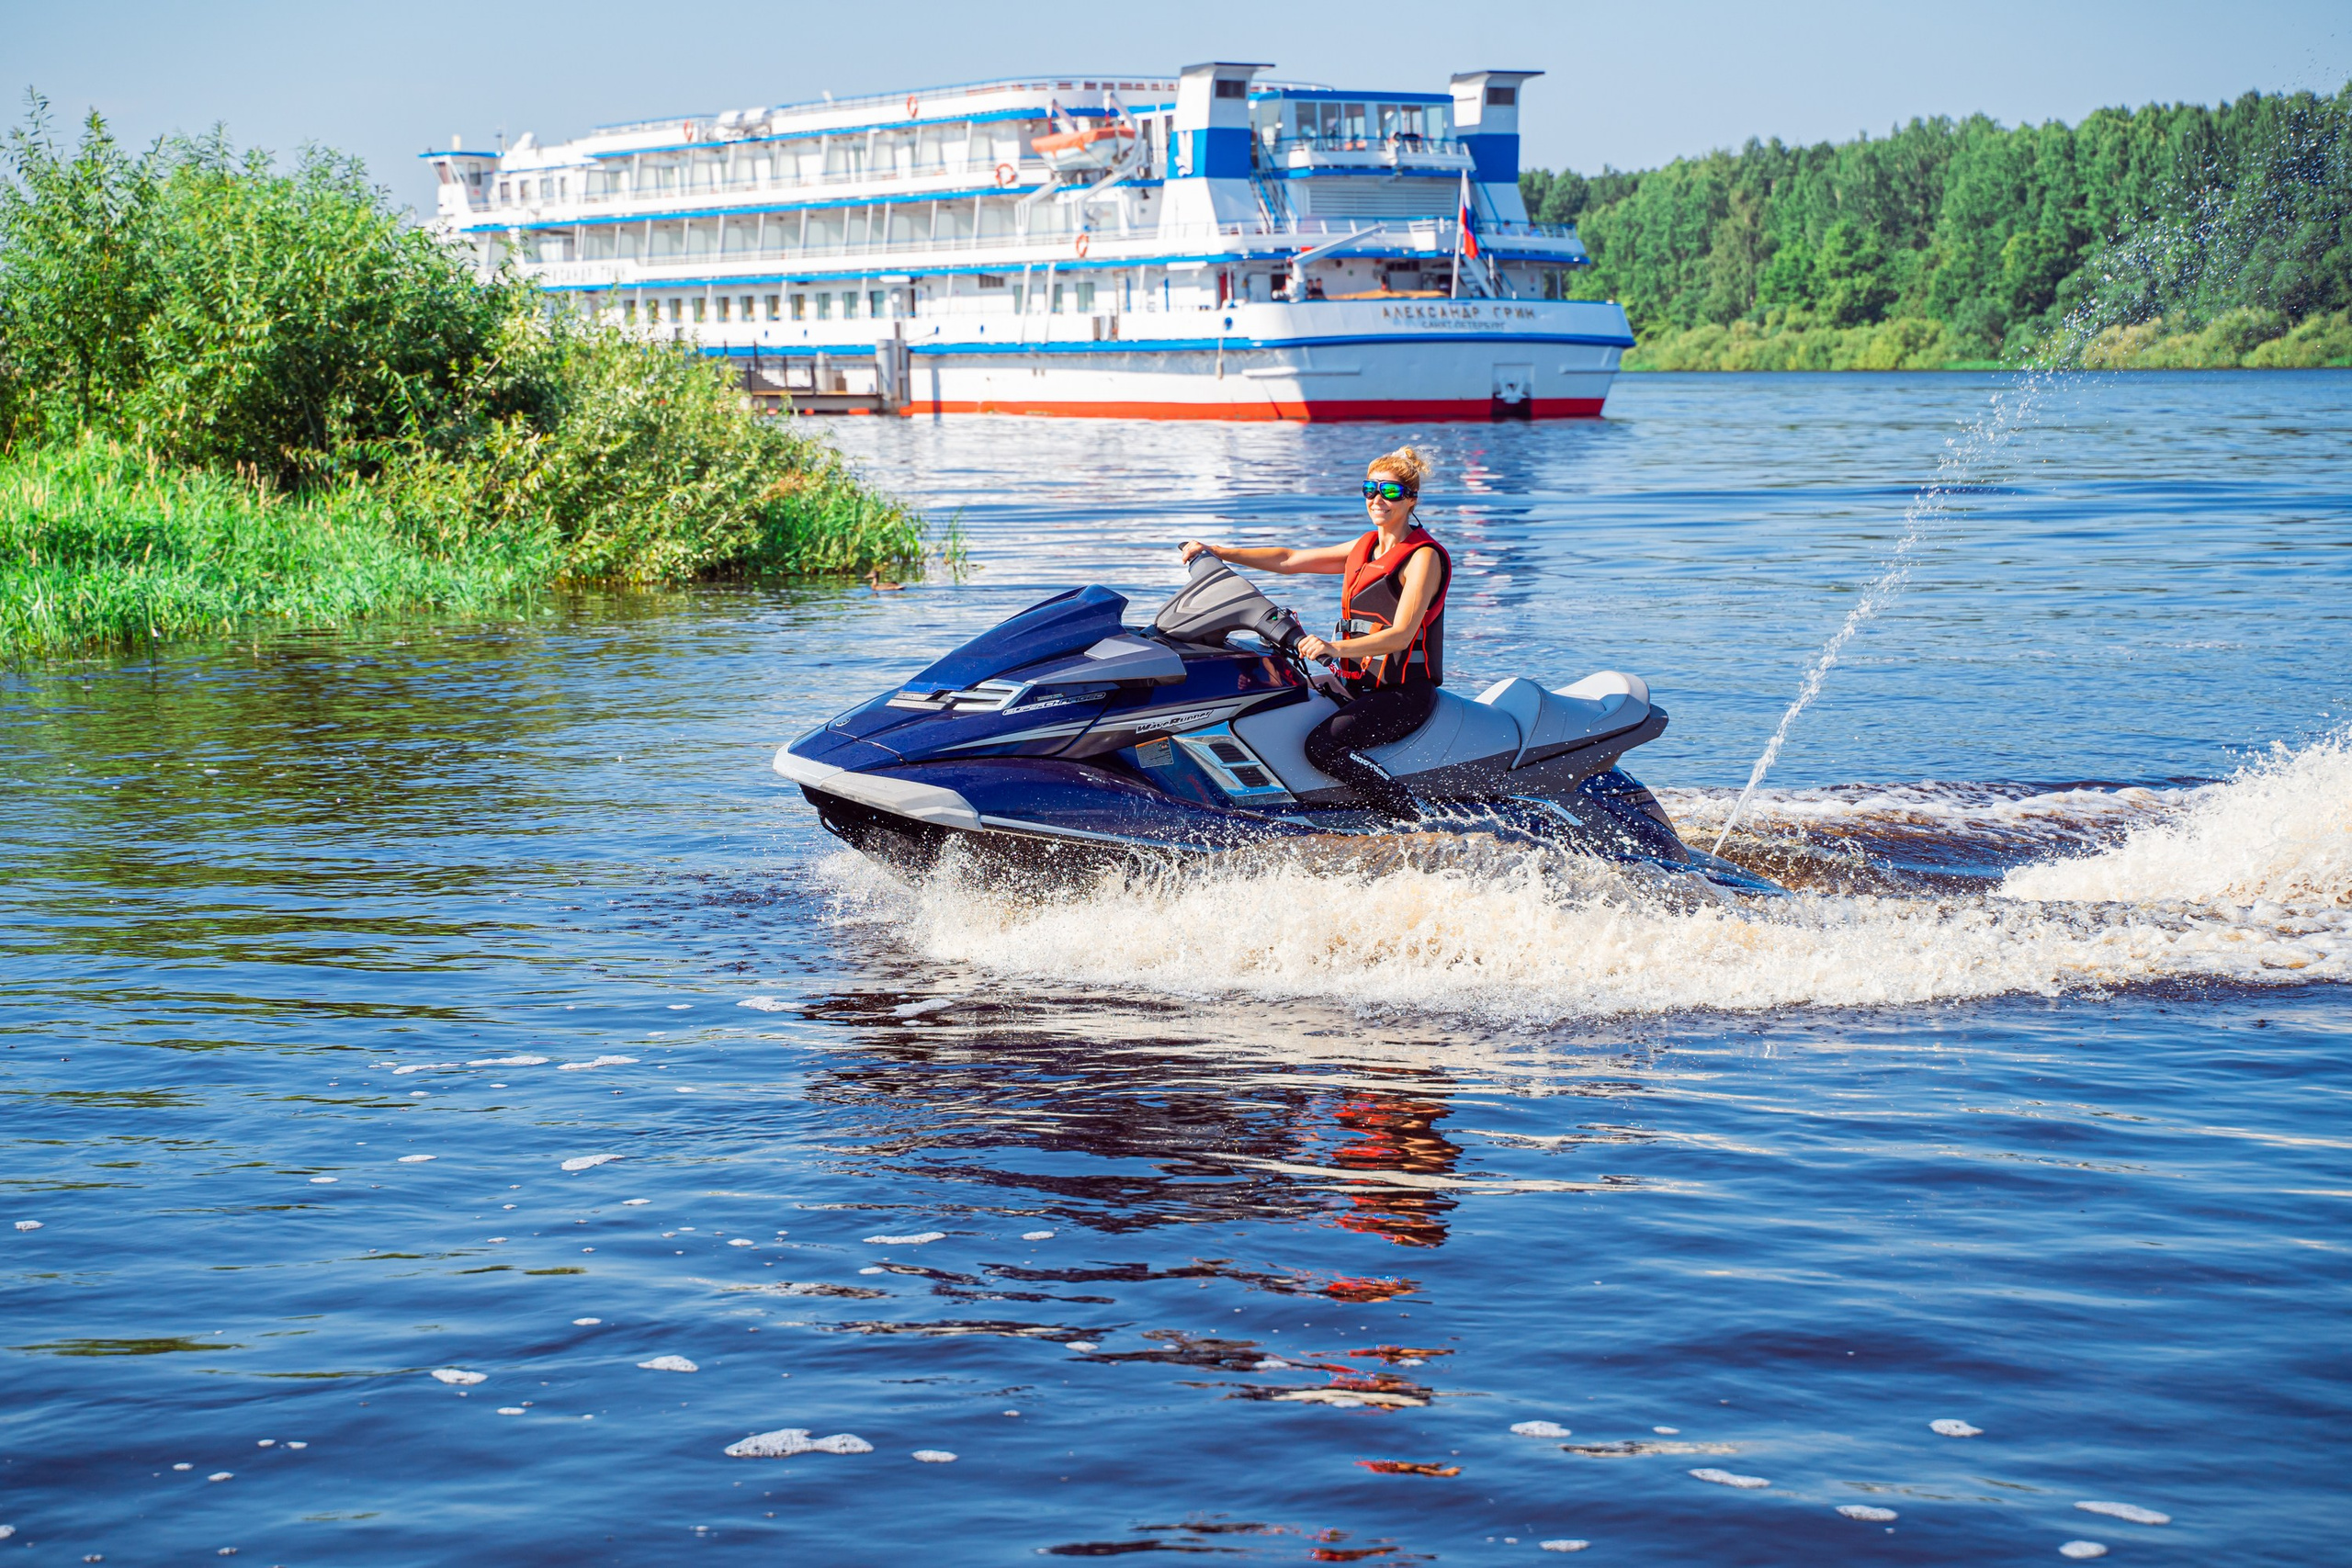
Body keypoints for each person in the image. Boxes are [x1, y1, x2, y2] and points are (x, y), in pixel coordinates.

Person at [1178, 446, 1451, 821]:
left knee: (1322, 747)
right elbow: (1288, 560)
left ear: (1411, 499)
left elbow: (1402, 635)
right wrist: (1219, 551)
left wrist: (1333, 647)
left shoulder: (1422, 557)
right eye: (1370, 489)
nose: (1377, 500)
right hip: (1357, 684)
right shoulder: (1365, 548)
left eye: (1390, 492)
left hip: (1403, 694)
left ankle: (1416, 817)